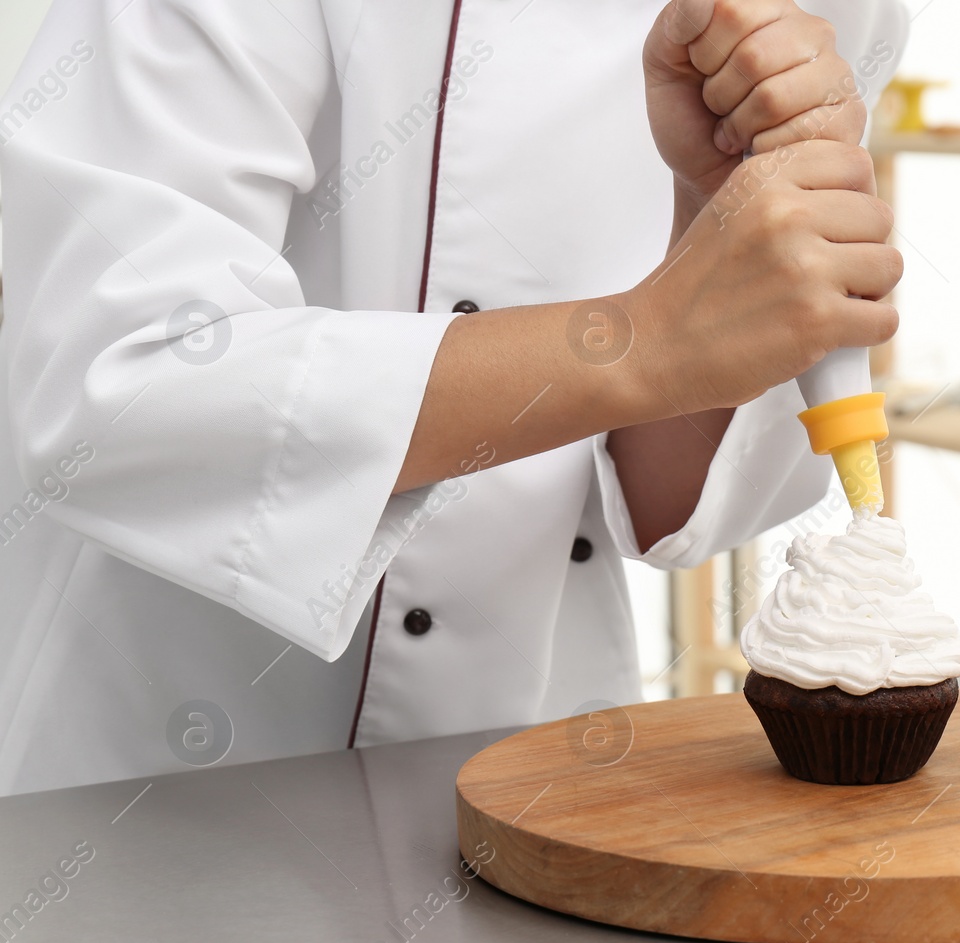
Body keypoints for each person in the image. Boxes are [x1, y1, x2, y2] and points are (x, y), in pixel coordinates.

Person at [0, 0, 907, 795]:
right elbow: (119, 378)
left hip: (539, 747)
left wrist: (702, 237)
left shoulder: (825, 14)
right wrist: (645, 340)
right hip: (165, 771)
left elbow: (668, 502)